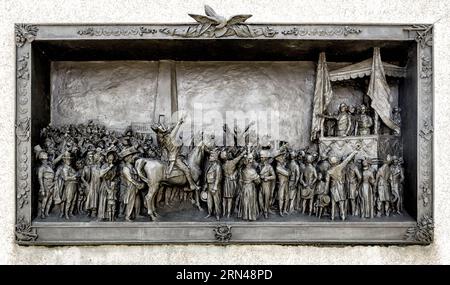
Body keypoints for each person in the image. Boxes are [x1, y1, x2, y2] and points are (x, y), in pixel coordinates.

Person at [151, 115, 199, 191]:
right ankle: (191, 185)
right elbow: (175, 129)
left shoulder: (164, 139)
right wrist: (179, 123)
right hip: (175, 158)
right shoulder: (170, 138)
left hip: (174, 156)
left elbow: (172, 129)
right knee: (186, 169)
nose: (168, 129)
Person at [326, 150, 359, 220]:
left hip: (333, 188)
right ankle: (343, 216)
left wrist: (325, 193)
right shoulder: (340, 167)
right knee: (341, 203)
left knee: (333, 203)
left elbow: (327, 183)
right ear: (337, 162)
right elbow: (347, 160)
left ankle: (332, 217)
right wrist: (353, 153)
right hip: (340, 187)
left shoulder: (329, 172)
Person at [120, 146, 145, 221]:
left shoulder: (133, 168)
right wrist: (138, 184)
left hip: (136, 187)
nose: (133, 158)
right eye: (131, 156)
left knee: (138, 201)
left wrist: (140, 183)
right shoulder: (125, 168)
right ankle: (127, 216)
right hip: (130, 187)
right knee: (131, 201)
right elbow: (130, 179)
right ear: (126, 158)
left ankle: (137, 214)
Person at [220, 149, 245, 218]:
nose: (222, 156)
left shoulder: (228, 163)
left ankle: (226, 213)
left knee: (227, 198)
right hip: (228, 182)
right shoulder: (227, 164)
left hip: (229, 182)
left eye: (224, 155)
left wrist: (234, 173)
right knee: (226, 198)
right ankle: (226, 213)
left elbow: (240, 157)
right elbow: (240, 157)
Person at [238, 153, 261, 221]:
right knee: (250, 202)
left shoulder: (242, 170)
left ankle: (245, 215)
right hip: (250, 187)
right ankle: (250, 216)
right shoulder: (252, 171)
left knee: (245, 201)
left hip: (244, 187)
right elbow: (258, 181)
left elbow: (240, 180)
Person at [35, 145, 55, 219]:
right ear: (42, 160)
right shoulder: (41, 168)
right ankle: (42, 213)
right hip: (45, 184)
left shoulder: (49, 166)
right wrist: (42, 189)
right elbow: (40, 178)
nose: (46, 160)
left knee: (50, 199)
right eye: (44, 159)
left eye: (46, 159)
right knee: (45, 199)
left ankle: (47, 212)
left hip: (51, 184)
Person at [97, 150, 117, 221]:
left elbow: (114, 176)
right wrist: (109, 168)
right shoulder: (104, 165)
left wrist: (112, 184)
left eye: (112, 158)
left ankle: (110, 216)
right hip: (104, 184)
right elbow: (100, 174)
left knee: (111, 201)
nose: (111, 159)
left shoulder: (114, 167)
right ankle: (102, 215)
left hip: (111, 184)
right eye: (110, 157)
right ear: (107, 158)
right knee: (104, 199)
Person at [204, 149, 222, 220]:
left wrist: (215, 187)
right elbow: (207, 175)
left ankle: (217, 215)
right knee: (209, 200)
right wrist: (206, 184)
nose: (209, 158)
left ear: (215, 158)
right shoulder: (210, 166)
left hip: (214, 186)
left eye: (211, 156)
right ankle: (209, 213)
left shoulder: (217, 166)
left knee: (216, 201)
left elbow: (218, 177)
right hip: (209, 185)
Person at [259, 150, 276, 219]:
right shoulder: (259, 165)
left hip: (267, 185)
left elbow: (274, 176)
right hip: (260, 184)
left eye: (262, 157)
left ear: (266, 158)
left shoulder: (269, 167)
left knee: (266, 199)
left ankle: (266, 211)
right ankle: (261, 209)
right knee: (260, 198)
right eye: (261, 157)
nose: (261, 158)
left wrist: (267, 178)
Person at [274, 150, 290, 216]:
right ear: (277, 159)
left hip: (286, 183)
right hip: (281, 184)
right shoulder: (278, 168)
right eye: (281, 157)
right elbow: (288, 173)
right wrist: (288, 171)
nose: (283, 158)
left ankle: (285, 210)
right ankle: (280, 211)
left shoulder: (282, 166)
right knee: (281, 198)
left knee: (286, 197)